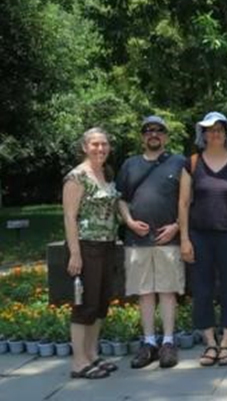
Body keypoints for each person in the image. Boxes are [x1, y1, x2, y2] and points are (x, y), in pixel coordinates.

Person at [178, 112, 227, 367]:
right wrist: (184, 239)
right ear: (204, 134)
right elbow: (184, 203)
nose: (215, 133)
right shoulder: (193, 163)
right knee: (202, 289)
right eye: (210, 129)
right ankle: (210, 342)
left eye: (219, 129)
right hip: (199, 235)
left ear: (226, 133)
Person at [117, 116, 186, 369]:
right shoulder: (129, 165)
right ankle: (149, 343)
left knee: (168, 292)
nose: (153, 134)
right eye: (148, 131)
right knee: (144, 293)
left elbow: (188, 199)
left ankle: (168, 342)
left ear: (166, 136)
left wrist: (177, 225)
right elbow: (121, 199)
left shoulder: (179, 162)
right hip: (137, 239)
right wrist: (129, 221)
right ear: (142, 136)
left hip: (169, 238)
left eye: (158, 131)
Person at [63, 127, 121, 379]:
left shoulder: (105, 173)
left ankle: (91, 354)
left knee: (100, 303)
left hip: (107, 244)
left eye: (104, 144)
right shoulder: (77, 177)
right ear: (85, 147)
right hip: (87, 246)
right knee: (85, 304)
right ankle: (78, 362)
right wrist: (75, 254)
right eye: (95, 144)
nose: (100, 149)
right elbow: (69, 217)